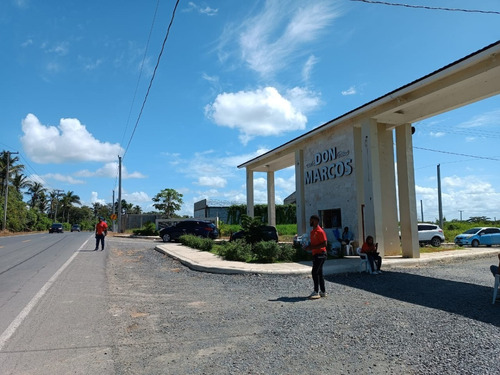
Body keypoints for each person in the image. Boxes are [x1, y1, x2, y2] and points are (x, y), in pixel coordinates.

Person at [305, 215, 328, 299]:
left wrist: (312, 247)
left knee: (314, 272)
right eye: (310, 220)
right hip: (316, 254)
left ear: (316, 221)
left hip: (321, 254)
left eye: (312, 220)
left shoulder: (320, 231)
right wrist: (307, 247)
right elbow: (313, 244)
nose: (310, 222)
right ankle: (323, 291)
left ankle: (316, 291)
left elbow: (324, 244)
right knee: (319, 273)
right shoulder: (312, 231)